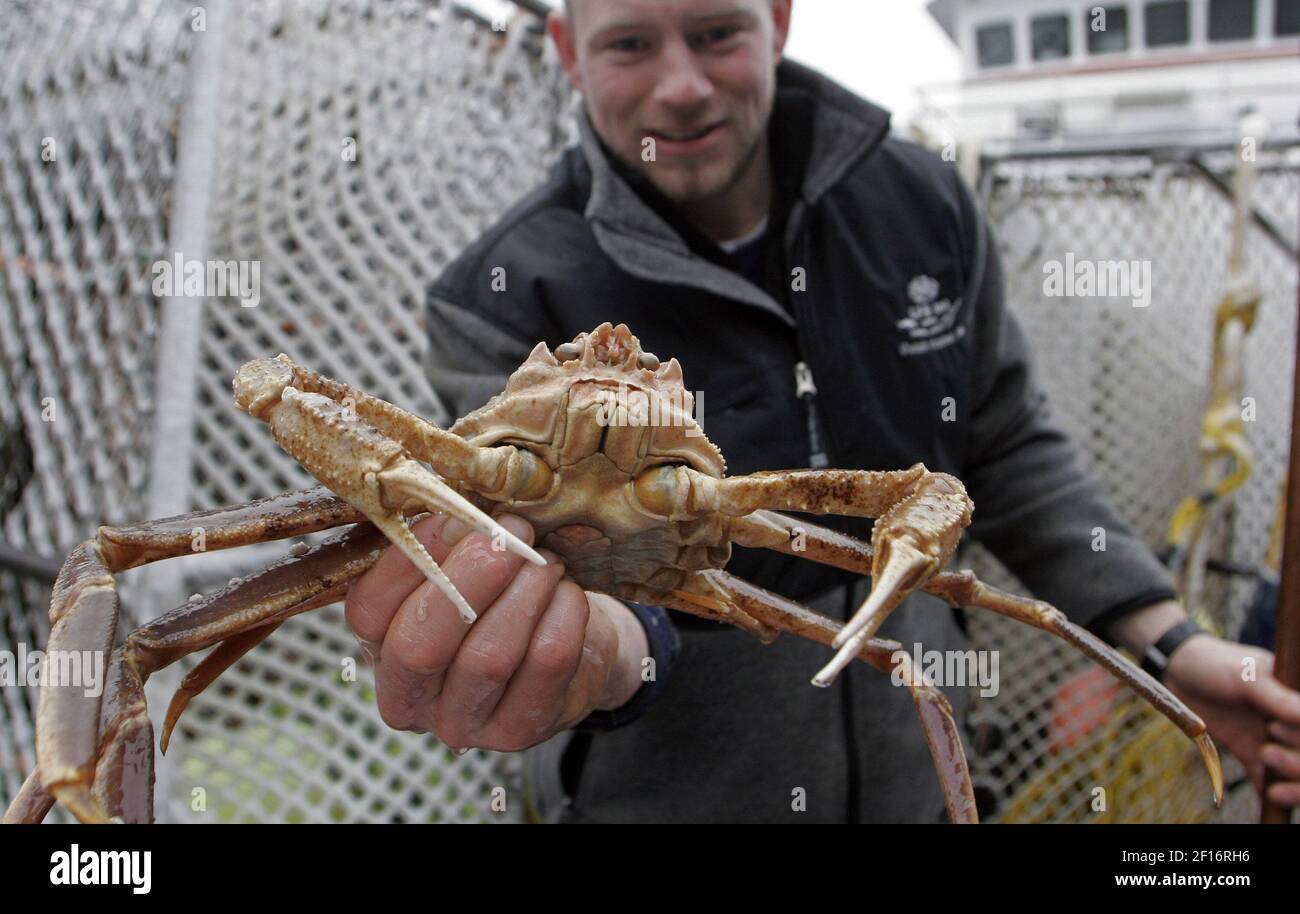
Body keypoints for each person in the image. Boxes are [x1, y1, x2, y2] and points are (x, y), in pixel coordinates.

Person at [344, 0, 1300, 822]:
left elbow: (1001, 445)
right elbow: (511, 549)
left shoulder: (923, 203)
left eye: (717, 31)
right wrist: (607, 653)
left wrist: (1170, 642)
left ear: (780, 20)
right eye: (629, 43)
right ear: (567, 51)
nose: (680, 86)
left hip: (919, 772)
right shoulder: (500, 288)